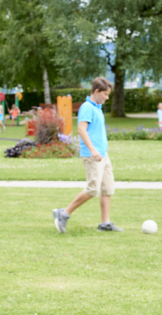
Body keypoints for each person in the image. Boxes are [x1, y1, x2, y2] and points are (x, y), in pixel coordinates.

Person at [53, 77, 123, 233]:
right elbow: (81, 130)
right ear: (97, 91)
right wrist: (93, 150)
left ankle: (105, 223)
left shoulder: (97, 107)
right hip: (93, 155)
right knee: (93, 189)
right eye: (105, 94)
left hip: (103, 155)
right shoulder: (87, 107)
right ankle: (63, 213)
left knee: (107, 188)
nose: (107, 97)